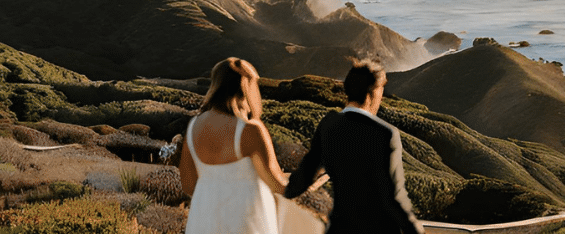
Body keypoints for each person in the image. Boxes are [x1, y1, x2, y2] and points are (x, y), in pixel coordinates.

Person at [286, 60, 424, 234]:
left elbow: (301, 180)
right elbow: (394, 198)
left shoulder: (328, 126)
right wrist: (415, 230)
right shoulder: (385, 134)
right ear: (373, 92)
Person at [179, 57, 288, 234]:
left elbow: (188, 184)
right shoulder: (250, 130)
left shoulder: (193, 127)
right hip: (246, 221)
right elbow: (276, 184)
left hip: (204, 221)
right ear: (246, 87)